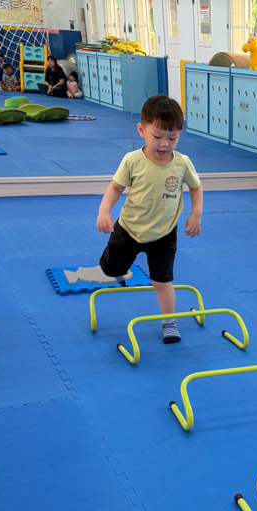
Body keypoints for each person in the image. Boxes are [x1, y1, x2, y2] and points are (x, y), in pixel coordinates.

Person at [97, 95, 202, 343]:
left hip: (164, 234)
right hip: (129, 230)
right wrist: (104, 210)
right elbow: (116, 187)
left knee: (162, 281)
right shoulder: (132, 160)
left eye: (173, 138)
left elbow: (196, 187)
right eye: (157, 136)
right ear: (142, 130)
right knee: (111, 269)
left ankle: (169, 323)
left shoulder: (182, 163)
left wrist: (196, 214)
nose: (165, 144)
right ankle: (119, 271)